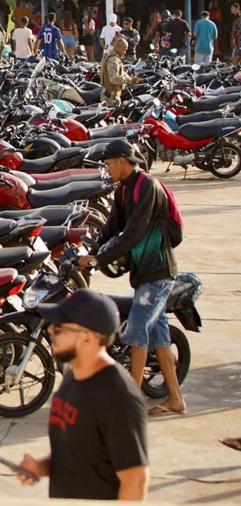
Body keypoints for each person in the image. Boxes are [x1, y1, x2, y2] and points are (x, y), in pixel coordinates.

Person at [77, 138, 185, 418]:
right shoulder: (123, 191)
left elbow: (133, 232)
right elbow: (111, 228)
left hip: (159, 273)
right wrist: (90, 251)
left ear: (123, 161)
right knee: (159, 337)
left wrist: (100, 258)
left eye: (110, 163)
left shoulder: (147, 186)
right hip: (143, 273)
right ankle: (175, 399)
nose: (108, 168)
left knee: (136, 333)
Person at [13, 288, 149, 500]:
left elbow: (135, 480)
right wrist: (41, 467)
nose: (50, 331)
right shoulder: (73, 376)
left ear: (88, 338)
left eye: (59, 327)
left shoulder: (117, 396)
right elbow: (79, 455)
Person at [101, 38, 138, 107]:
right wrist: (130, 80)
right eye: (124, 49)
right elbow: (114, 79)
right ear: (118, 47)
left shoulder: (109, 56)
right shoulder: (113, 60)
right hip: (111, 97)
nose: (125, 52)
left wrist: (129, 78)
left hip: (108, 94)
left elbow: (120, 72)